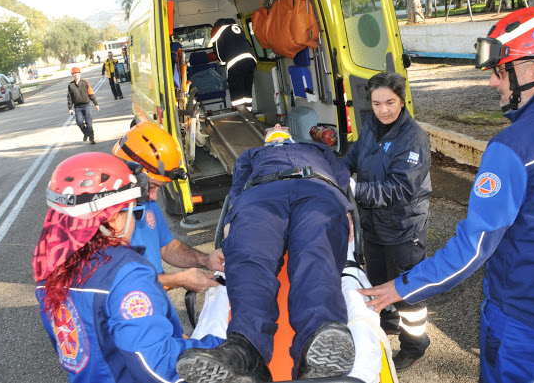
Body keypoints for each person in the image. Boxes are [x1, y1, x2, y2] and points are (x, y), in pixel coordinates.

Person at [360, 7, 534, 383]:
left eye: (500, 72)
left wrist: (401, 287)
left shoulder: (512, 146)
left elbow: (473, 247)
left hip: (525, 320)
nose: (493, 84)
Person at [176, 124, 356, 383]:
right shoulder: (252, 155)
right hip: (260, 194)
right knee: (250, 257)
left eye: (281, 126)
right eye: (273, 128)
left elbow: (341, 175)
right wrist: (230, 219)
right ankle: (245, 350)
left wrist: (345, 206)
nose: (278, 127)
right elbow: (237, 187)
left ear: (291, 133)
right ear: (268, 137)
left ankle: (317, 345)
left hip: (318, 189)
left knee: (315, 255)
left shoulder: (316, 148)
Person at [33, 152, 223, 382]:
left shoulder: (51, 268)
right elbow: (157, 367)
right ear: (112, 218)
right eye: (132, 210)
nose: (134, 219)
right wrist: (226, 349)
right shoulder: (126, 273)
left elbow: (97, 341)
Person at [341, 72, 432, 371]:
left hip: (404, 228)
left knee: (409, 293)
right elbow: (354, 155)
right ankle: (388, 322)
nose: (384, 110)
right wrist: (337, 174)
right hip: (375, 224)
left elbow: (401, 188)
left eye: (390, 102)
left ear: (402, 99)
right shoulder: (371, 125)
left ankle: (415, 345)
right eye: (377, 103)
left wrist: (356, 190)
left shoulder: (413, 138)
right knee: (378, 281)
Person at [112, 122, 224, 292]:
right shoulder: (103, 222)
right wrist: (178, 280)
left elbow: (167, 247)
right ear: (130, 173)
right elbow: (116, 282)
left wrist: (205, 260)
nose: (155, 197)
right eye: (151, 187)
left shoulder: (144, 202)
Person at [210, 18, 257, 109]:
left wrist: (222, 61)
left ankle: (240, 114)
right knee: (246, 89)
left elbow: (218, 53)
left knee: (237, 91)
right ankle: (248, 112)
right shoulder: (237, 27)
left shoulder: (217, 31)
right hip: (250, 60)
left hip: (235, 63)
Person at [67, 67, 99, 145]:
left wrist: (96, 104)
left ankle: (91, 138)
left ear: (80, 74)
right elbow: (69, 97)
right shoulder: (71, 85)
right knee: (79, 122)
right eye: (74, 74)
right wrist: (70, 108)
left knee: (89, 123)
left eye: (77, 73)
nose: (76, 75)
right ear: (72, 75)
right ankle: (86, 133)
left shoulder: (85, 83)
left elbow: (91, 94)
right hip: (77, 107)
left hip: (86, 106)